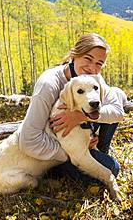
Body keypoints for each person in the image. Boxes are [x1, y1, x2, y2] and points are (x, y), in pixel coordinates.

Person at [18, 33, 125, 184]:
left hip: (78, 138)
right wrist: (73, 150)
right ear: (74, 55)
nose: (92, 68)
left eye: (99, 64)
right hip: (53, 152)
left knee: (116, 94)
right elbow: (28, 141)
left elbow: (118, 112)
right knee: (112, 168)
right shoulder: (48, 84)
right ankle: (56, 172)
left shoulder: (93, 77)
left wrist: (81, 117)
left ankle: (101, 150)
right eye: (88, 59)